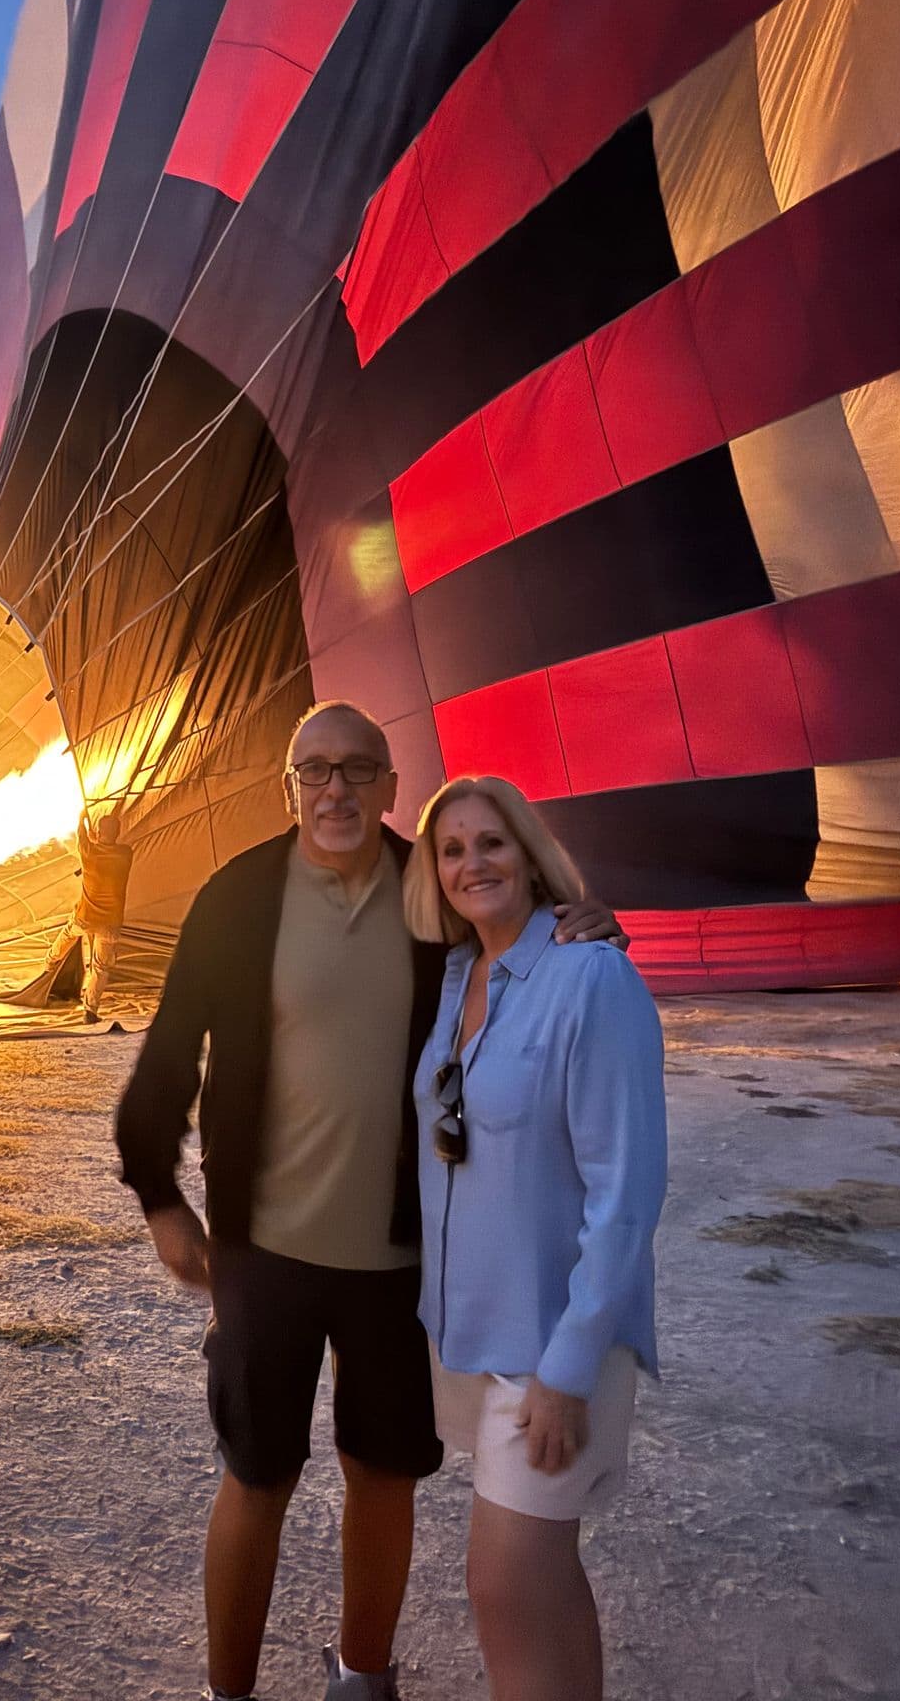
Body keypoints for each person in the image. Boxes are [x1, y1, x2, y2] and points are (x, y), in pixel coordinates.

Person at [114, 704, 625, 1701]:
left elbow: (533, 955)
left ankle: (363, 1677)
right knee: (258, 1472)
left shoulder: (434, 891)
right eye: (315, 769)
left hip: (404, 1256)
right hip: (262, 1248)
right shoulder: (239, 897)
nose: (335, 788)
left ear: (394, 786)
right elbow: (172, 1048)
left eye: (357, 768)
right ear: (290, 785)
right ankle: (230, 1693)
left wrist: (591, 927)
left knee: (383, 1470)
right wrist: (161, 1194)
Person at [403, 776, 666, 1701]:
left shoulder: (590, 974)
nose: (473, 863)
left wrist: (568, 1367)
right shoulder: (455, 976)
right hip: (477, 1329)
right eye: (452, 849)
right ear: (432, 874)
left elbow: (627, 1189)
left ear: (531, 853)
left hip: (556, 1344)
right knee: (545, 1577)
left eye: (493, 842)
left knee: (503, 1583)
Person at [49, 807, 133, 1024]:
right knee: (101, 968)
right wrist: (95, 835)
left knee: (68, 933)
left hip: (85, 918)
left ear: (98, 831)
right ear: (118, 832)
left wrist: (83, 819)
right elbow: (94, 840)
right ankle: (90, 1010)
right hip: (110, 925)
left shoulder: (89, 852)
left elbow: (81, 835)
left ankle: (50, 962)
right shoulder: (125, 854)